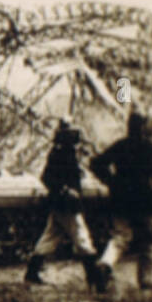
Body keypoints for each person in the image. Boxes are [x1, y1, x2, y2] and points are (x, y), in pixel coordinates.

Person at [90, 110, 152, 291]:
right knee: (150, 241)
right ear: (143, 127)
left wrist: (110, 180)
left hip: (120, 199)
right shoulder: (151, 148)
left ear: (128, 127)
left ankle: (105, 263)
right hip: (145, 200)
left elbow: (96, 163)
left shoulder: (120, 145)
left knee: (120, 237)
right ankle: (146, 280)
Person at [24, 120, 99, 288]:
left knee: (48, 239)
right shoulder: (65, 153)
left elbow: (47, 177)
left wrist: (61, 189)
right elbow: (48, 178)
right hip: (68, 204)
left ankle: (32, 272)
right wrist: (66, 189)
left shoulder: (59, 152)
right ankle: (94, 277)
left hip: (59, 203)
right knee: (82, 238)